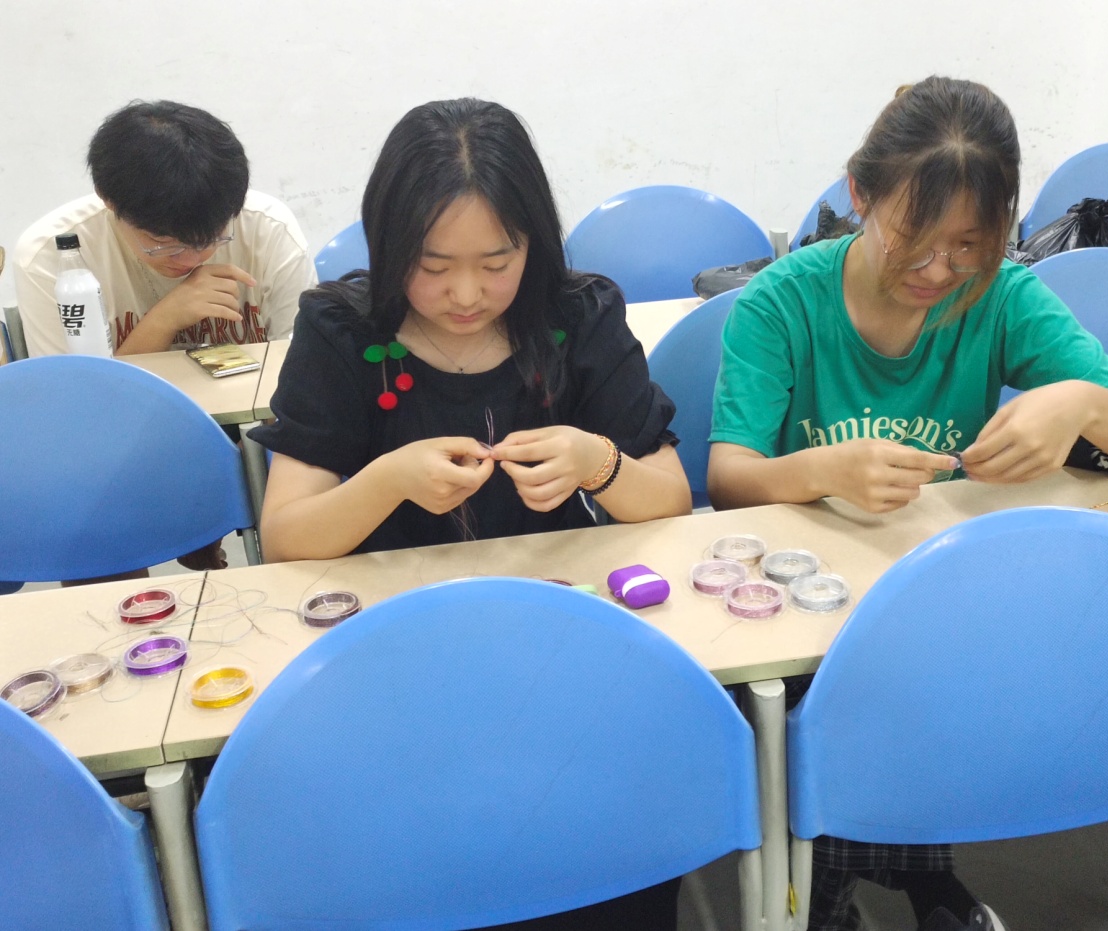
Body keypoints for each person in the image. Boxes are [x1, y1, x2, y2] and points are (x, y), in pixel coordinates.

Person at [707, 77, 1108, 931]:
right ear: (859, 195)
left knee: (945, 665)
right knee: (849, 699)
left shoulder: (997, 296)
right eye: (912, 241)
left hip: (932, 589)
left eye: (969, 244)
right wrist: (820, 469)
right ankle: (864, 885)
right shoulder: (782, 302)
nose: (937, 271)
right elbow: (729, 477)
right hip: (807, 601)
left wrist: (1075, 401)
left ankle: (901, 875)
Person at [251, 96, 689, 929]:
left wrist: (597, 462)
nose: (464, 293)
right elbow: (285, 539)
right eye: (431, 263)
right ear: (388, 245)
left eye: (496, 261)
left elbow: (669, 497)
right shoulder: (341, 331)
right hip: (399, 661)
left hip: (560, 643)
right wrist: (385, 479)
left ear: (534, 242)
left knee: (613, 835)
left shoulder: (577, 316)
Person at [15, 99, 316, 357]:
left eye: (211, 239)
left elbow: (308, 373)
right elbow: (74, 399)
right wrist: (163, 321)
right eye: (163, 242)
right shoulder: (52, 258)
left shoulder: (268, 230)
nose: (191, 260)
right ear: (107, 199)